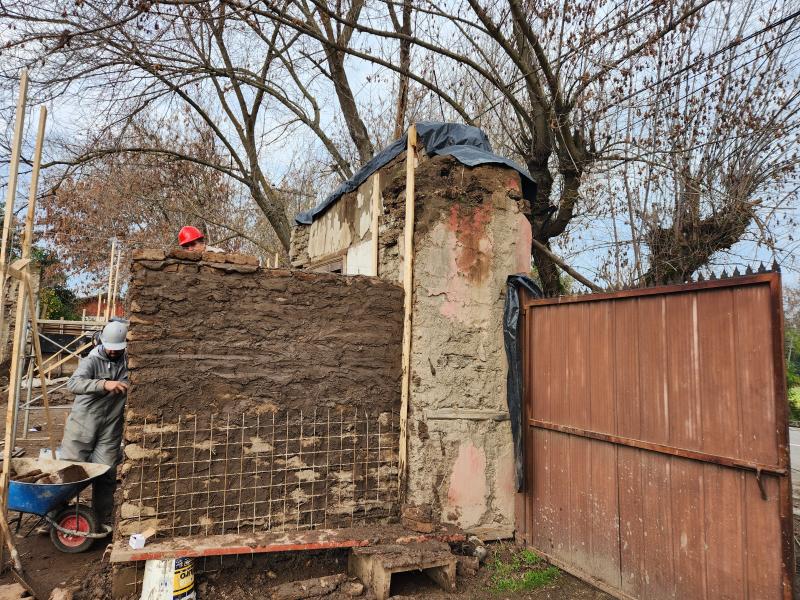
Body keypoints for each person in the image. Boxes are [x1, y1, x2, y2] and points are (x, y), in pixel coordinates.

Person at [61, 320, 129, 527]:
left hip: (110, 428)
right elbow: (73, 383)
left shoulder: (128, 361)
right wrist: (103, 384)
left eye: (118, 349)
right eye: (110, 348)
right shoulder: (91, 360)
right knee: (69, 471)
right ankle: (56, 515)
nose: (113, 352)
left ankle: (101, 519)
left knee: (106, 473)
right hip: (82, 425)